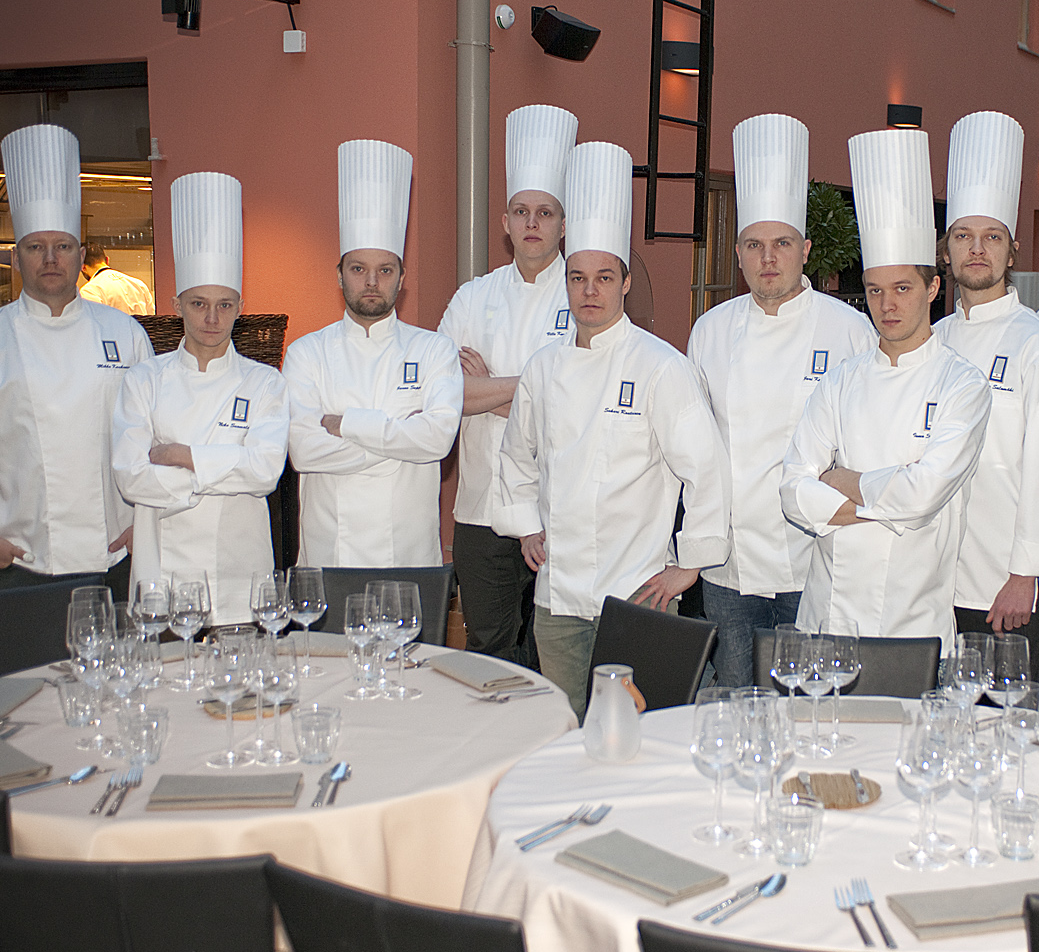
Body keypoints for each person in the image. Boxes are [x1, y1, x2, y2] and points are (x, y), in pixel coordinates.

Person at [493, 140, 729, 715]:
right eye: (577, 278)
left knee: (640, 729)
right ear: (565, 283)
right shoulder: (545, 368)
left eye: (604, 277)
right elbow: (518, 458)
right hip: (558, 598)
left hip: (640, 595)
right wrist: (525, 526)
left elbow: (706, 467)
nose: (589, 290)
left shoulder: (660, 366)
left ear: (624, 283)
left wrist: (689, 565)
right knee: (569, 726)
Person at [780, 126, 990, 647]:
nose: (887, 305)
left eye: (902, 288)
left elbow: (922, 497)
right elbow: (791, 489)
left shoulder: (964, 385)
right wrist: (886, 497)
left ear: (934, 287)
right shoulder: (841, 379)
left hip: (912, 626)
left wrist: (841, 479)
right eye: (875, 290)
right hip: (825, 620)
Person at [687, 114, 876, 687]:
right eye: (754, 245)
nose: (768, 258)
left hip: (815, 557)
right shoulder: (710, 331)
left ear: (805, 249)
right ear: (739, 253)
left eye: (782, 244)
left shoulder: (849, 330)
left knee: (807, 704)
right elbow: (696, 448)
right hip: (730, 564)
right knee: (738, 699)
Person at [0, 124, 151, 591]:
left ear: (80, 254)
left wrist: (145, 525)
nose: (51, 258)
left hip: (117, 557)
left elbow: (156, 437)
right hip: (21, 563)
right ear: (16, 257)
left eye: (63, 247)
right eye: (36, 247)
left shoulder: (125, 333)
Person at [934, 112, 1039, 675]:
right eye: (964, 237)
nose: (977, 250)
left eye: (991, 237)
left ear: (1012, 250)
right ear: (945, 250)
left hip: (1003, 590)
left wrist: (1026, 575)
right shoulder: (934, 341)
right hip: (929, 586)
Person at [111, 172, 287, 623]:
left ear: (240, 308)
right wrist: (217, 470)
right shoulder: (143, 380)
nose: (212, 318)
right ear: (176, 304)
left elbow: (265, 472)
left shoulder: (266, 383)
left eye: (225, 304)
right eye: (198, 303)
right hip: (162, 581)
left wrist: (179, 455)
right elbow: (130, 477)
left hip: (240, 579)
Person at [438, 105, 578, 663]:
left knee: (553, 654)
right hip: (478, 511)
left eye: (545, 212)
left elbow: (575, 406)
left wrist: (488, 389)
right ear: (504, 222)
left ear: (563, 224)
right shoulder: (473, 296)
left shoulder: (585, 295)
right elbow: (443, 397)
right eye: (521, 211)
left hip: (556, 510)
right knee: (487, 652)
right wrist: (533, 387)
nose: (532, 223)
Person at [282, 140, 461, 568]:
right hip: (330, 559)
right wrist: (399, 441)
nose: (371, 282)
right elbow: (303, 451)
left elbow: (437, 440)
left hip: (410, 556)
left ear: (402, 279)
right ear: (339, 275)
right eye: (358, 269)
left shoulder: (434, 350)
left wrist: (346, 425)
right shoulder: (306, 353)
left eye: (385, 270)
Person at [77, 244, 156, 314]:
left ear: (83, 267)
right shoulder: (139, 284)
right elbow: (152, 319)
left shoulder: (90, 290)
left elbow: (94, 325)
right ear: (107, 260)